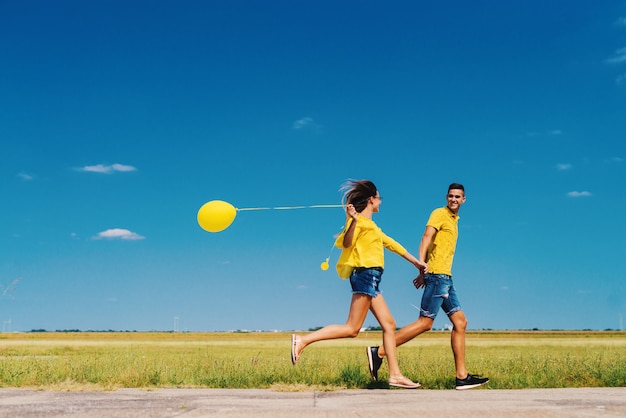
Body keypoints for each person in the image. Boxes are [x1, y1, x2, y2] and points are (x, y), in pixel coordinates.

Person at [291, 179, 428, 389]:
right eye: (379, 198)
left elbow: (393, 245)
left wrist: (417, 263)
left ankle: (395, 375)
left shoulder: (372, 226)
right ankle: (303, 341)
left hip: (372, 278)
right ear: (372, 199)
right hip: (365, 275)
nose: (380, 202)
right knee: (352, 328)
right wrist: (353, 220)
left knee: (389, 325)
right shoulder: (359, 223)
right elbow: (347, 242)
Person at [366, 183, 489, 390]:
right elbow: (426, 238)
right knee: (425, 323)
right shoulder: (439, 214)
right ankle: (379, 352)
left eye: (458, 197)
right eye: (450, 196)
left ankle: (462, 376)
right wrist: (422, 268)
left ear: (464, 200)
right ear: (446, 197)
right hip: (437, 276)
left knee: (460, 322)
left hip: (446, 278)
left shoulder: (454, 219)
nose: (454, 200)